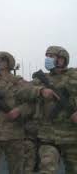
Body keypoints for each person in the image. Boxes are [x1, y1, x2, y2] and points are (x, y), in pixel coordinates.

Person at [17, 46, 77, 174]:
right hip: (48, 135)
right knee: (46, 167)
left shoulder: (74, 76)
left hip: (72, 136)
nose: (47, 59)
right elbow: (21, 91)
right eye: (47, 56)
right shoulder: (41, 79)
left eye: (51, 56)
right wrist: (40, 90)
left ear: (62, 59)